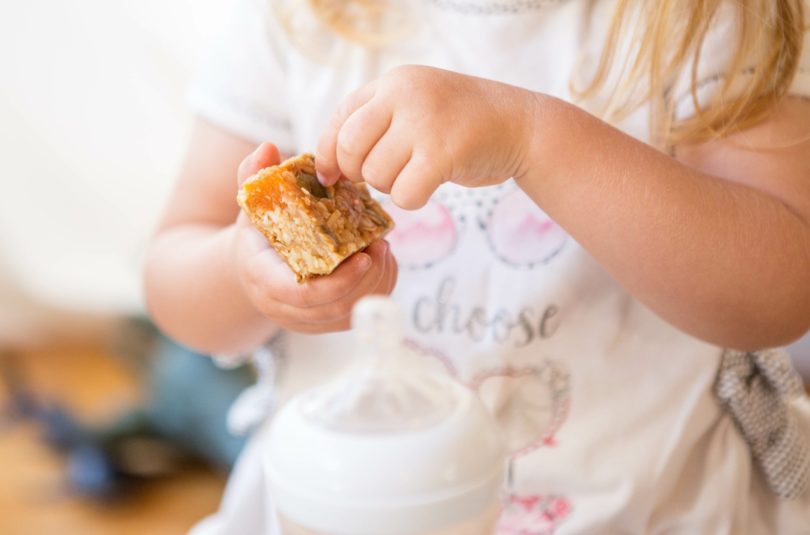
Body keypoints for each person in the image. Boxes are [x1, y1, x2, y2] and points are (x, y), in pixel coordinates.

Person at [144, 0, 810, 532]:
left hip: (640, 508)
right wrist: (244, 270)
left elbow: (781, 289)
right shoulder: (298, 18)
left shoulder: (712, 17)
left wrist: (533, 139)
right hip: (335, 508)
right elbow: (173, 276)